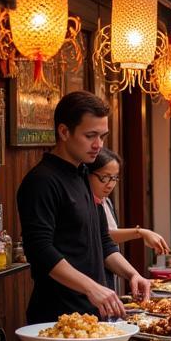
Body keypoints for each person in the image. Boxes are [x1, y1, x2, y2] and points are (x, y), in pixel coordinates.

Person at [17, 91, 151, 323]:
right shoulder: (41, 180)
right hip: (58, 317)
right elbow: (40, 251)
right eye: (90, 136)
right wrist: (91, 287)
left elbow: (103, 241)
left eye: (102, 136)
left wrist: (132, 274)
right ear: (64, 132)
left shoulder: (82, 174)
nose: (98, 145)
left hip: (94, 315)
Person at [87, 148, 169, 288]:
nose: (110, 184)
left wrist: (133, 275)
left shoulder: (104, 201)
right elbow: (106, 236)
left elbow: (106, 242)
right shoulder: (87, 203)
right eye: (105, 177)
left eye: (114, 178)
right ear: (87, 173)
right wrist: (140, 232)